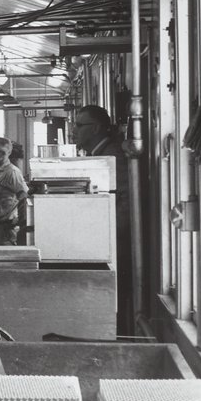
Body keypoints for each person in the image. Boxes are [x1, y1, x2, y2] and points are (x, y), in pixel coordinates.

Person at [72, 105, 133, 335]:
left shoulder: (112, 157)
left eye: (79, 125)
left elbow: (126, 205)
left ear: (96, 128)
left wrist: (103, 236)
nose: (74, 131)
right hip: (105, 243)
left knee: (115, 301)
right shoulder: (99, 155)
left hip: (116, 247)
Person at [0, 136, 28, 245]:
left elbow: (24, 197)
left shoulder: (12, 173)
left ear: (3, 154)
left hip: (5, 230)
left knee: (1, 254)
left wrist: (19, 223)